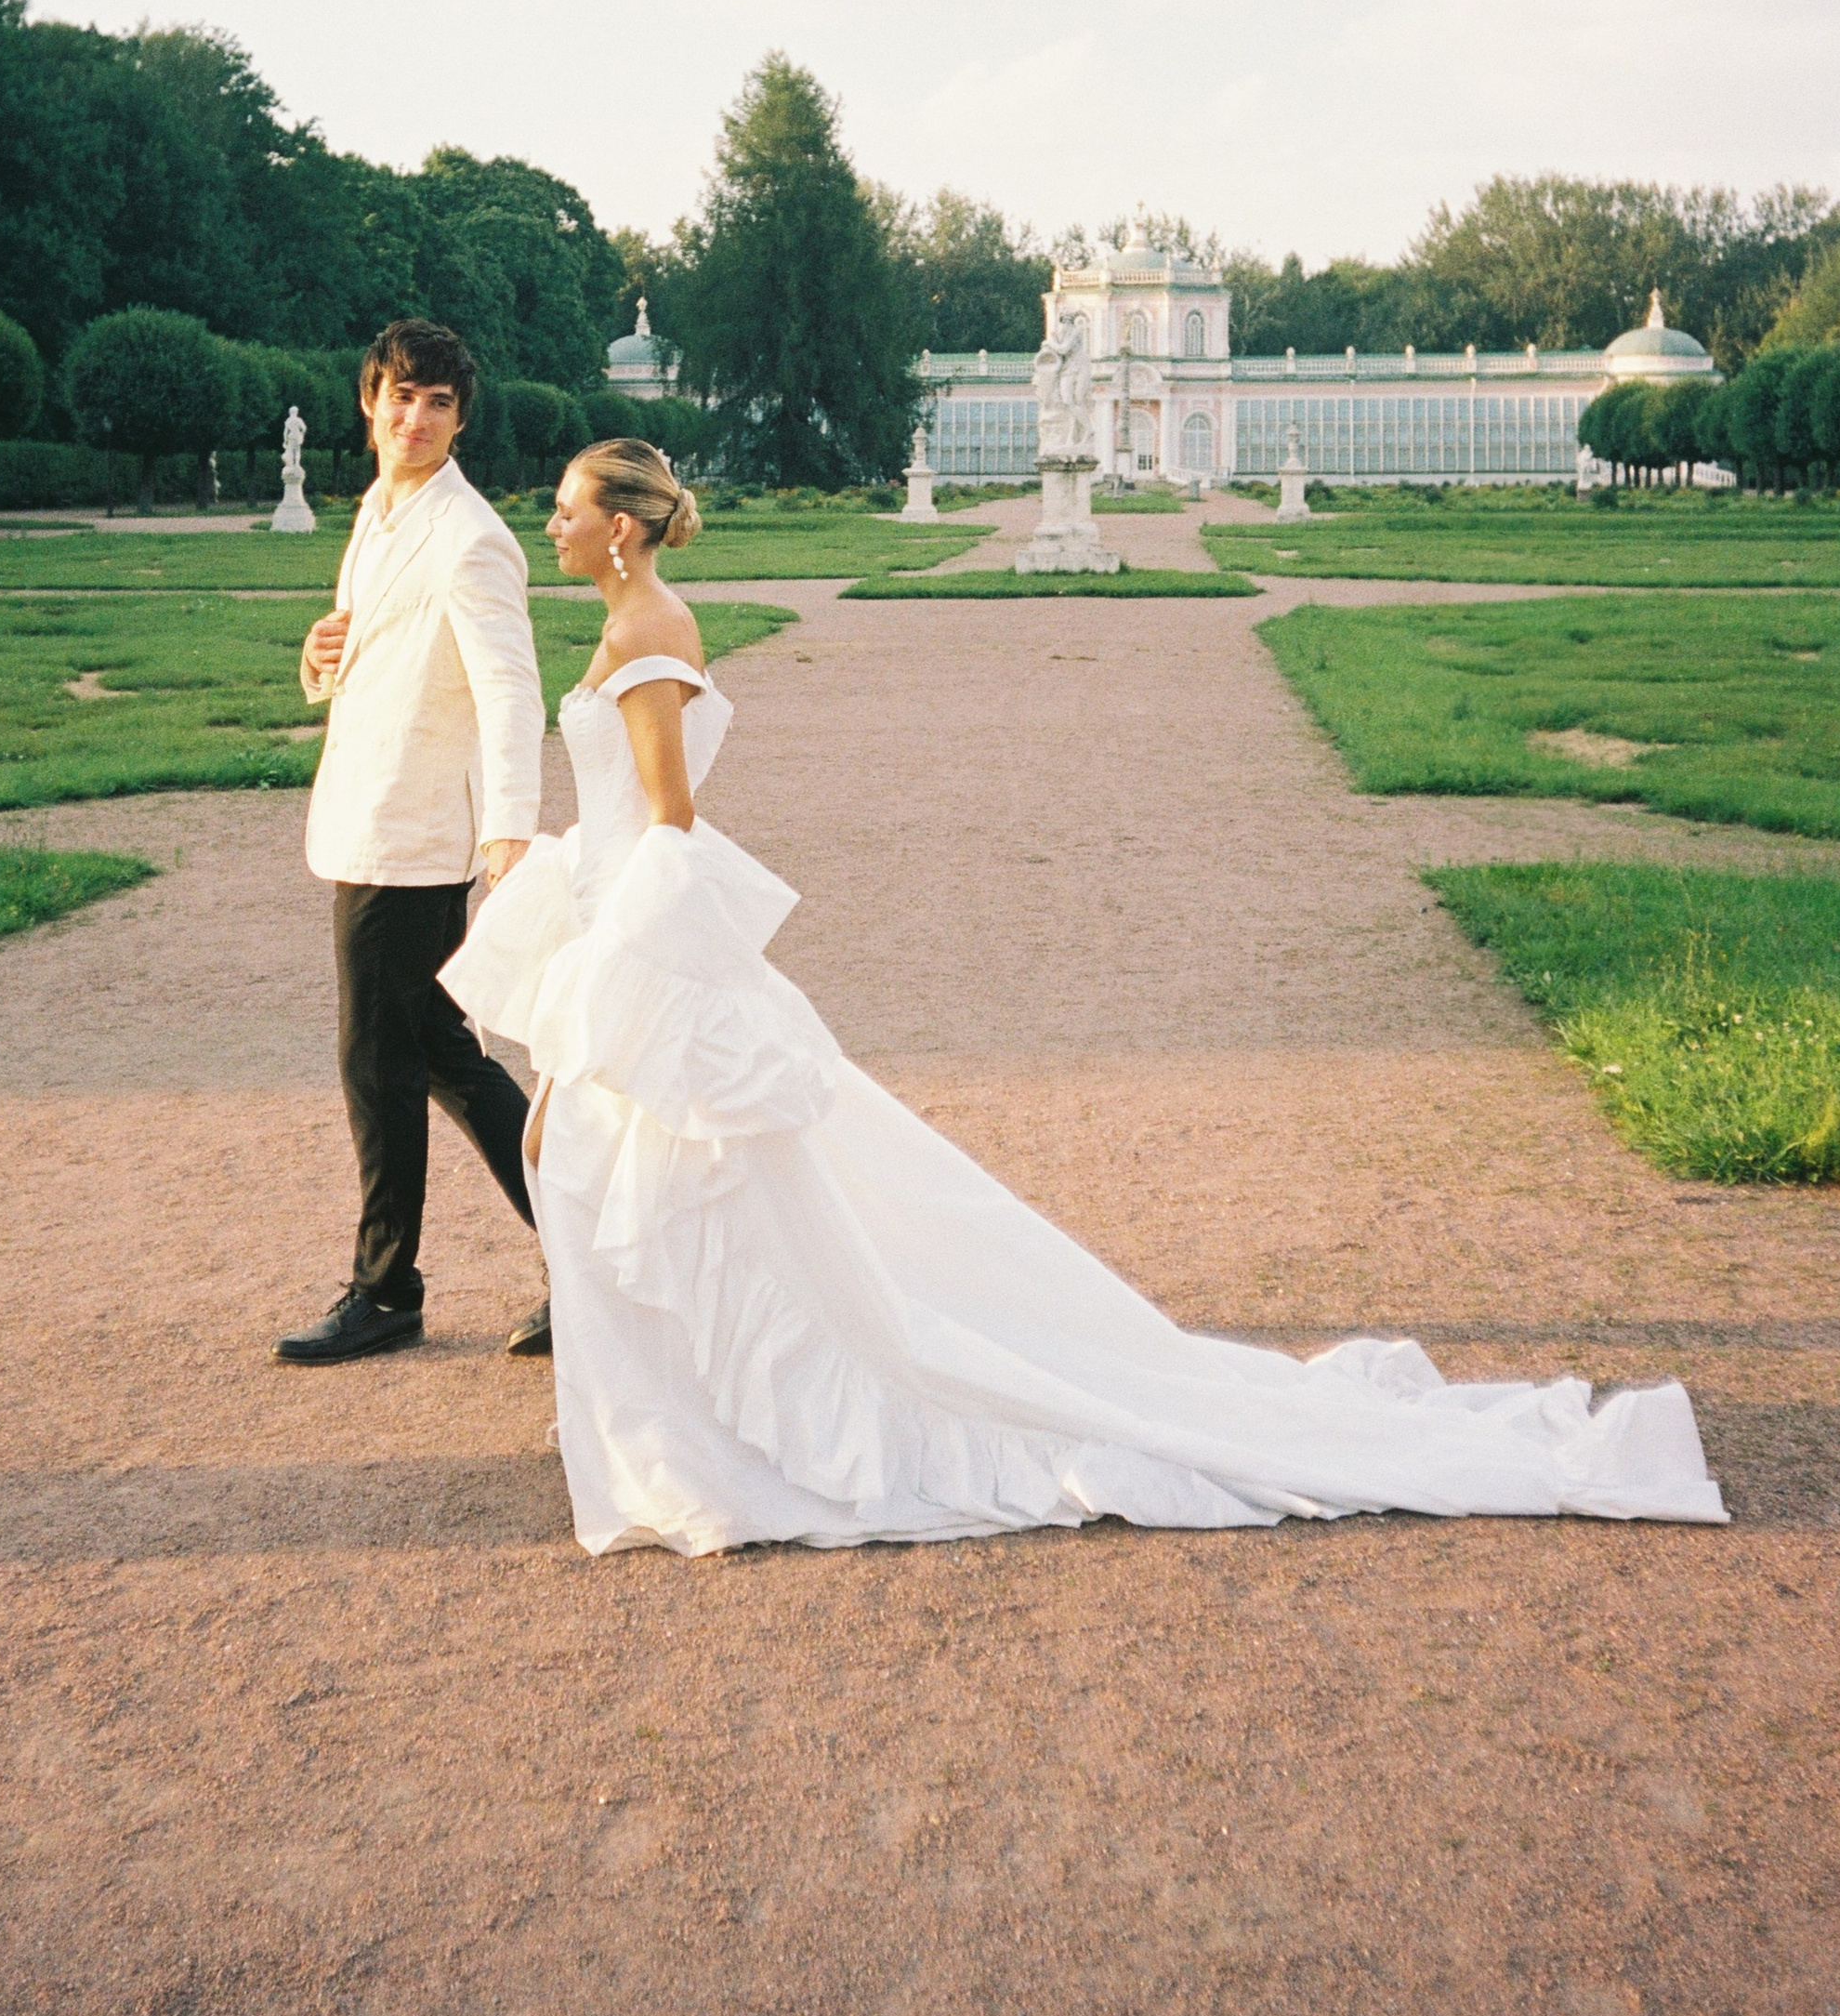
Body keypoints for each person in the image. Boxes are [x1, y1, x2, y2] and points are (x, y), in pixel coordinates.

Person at [445, 434, 1728, 1556]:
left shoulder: (648, 632)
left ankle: (713, 1454)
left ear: (618, 527)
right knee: (679, 1203)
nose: (548, 521)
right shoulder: (634, 624)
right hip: (623, 920)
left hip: (645, 929)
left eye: (563, 506)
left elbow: (669, 823)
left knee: (685, 1198)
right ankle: (692, 1446)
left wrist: (604, 998)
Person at [275, 320, 550, 1366]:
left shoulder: (470, 534)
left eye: (438, 402)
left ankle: (386, 1289)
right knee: (437, 1052)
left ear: (461, 417)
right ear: (368, 403)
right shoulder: (382, 514)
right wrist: (317, 656)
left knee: (376, 1061)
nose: (416, 418)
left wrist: (510, 829)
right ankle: (595, 1255)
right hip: (366, 817)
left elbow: (510, 691)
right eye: (400, 395)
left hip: (417, 835)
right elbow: (369, 658)